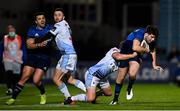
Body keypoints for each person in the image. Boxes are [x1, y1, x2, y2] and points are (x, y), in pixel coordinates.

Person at [6, 12, 53, 105]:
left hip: (45, 57)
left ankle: (43, 93)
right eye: (39, 19)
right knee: (25, 77)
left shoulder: (50, 28)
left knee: (36, 80)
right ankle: (13, 98)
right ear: (36, 21)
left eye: (43, 18)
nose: (42, 20)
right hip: (33, 56)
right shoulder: (32, 30)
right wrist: (40, 44)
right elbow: (29, 45)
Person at [110, 25, 164, 105]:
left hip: (136, 54)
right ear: (146, 34)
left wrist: (154, 65)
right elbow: (135, 47)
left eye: (154, 38)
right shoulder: (140, 34)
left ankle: (129, 87)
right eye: (152, 37)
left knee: (132, 74)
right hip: (126, 50)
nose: (153, 40)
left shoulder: (150, 40)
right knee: (121, 77)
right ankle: (115, 99)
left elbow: (153, 51)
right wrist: (146, 50)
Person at [63, 47, 137, 104]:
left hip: (102, 77)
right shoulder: (115, 50)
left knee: (108, 93)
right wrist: (132, 55)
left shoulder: (124, 59)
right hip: (93, 75)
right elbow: (118, 57)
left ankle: (94, 95)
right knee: (90, 99)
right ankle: (71, 99)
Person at [48, 8, 86, 101]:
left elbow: (49, 36)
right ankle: (89, 90)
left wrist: (39, 41)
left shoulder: (58, 25)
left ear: (63, 17)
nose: (57, 17)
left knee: (56, 79)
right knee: (70, 80)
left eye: (59, 15)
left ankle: (68, 98)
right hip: (67, 55)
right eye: (55, 15)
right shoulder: (66, 24)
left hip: (68, 55)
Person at [0, 25, 26, 95]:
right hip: (7, 59)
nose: (11, 32)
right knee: (8, 73)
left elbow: (23, 48)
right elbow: (1, 48)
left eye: (12, 30)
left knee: (16, 76)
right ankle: (9, 88)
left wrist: (24, 59)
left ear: (15, 31)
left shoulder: (19, 38)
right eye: (10, 31)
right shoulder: (4, 38)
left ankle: (14, 88)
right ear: (8, 31)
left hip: (17, 59)